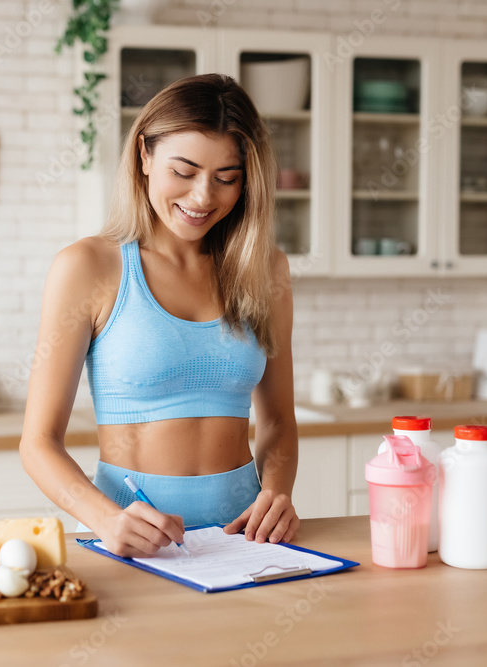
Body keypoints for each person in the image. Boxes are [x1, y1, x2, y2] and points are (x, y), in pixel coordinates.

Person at [20, 73, 299, 558]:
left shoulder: (264, 268)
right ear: (144, 156)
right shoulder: (88, 267)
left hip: (244, 543)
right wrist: (106, 519)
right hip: (130, 542)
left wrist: (275, 491)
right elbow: (39, 443)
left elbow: (278, 421)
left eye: (226, 178)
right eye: (184, 171)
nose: (202, 197)